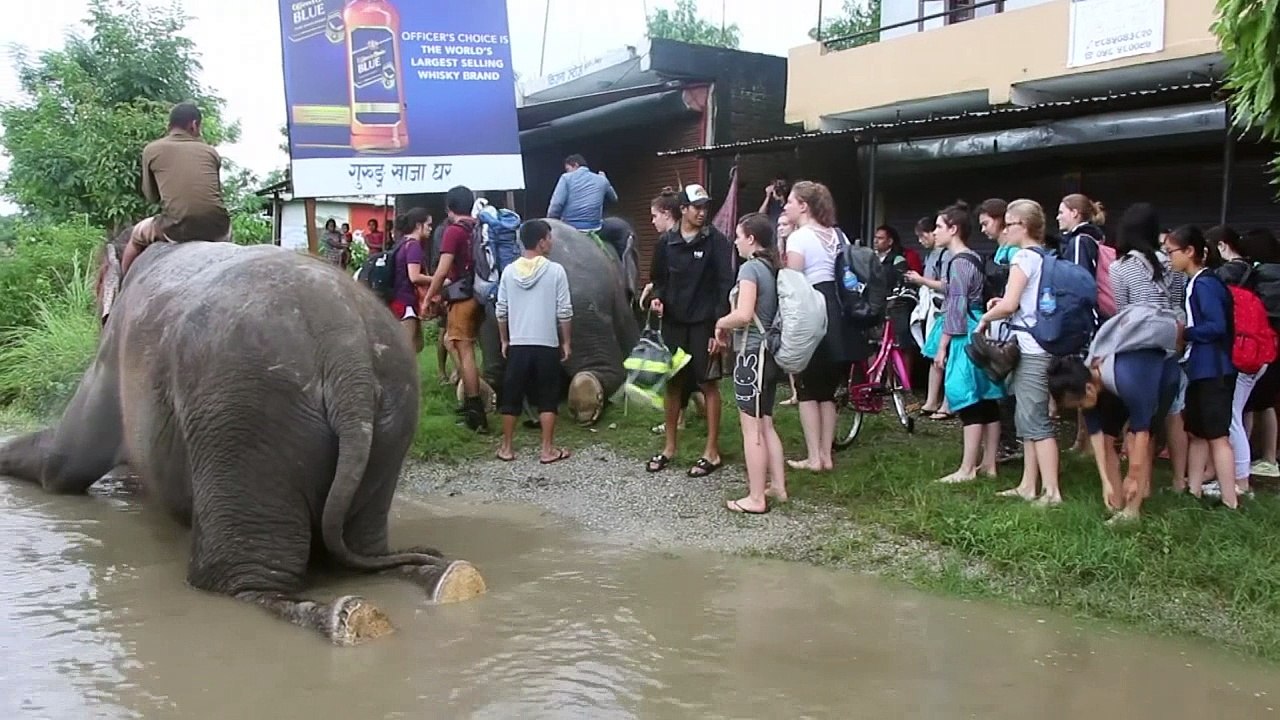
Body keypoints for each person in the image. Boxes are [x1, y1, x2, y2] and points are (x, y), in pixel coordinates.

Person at [1047, 305, 1183, 523]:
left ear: (1089, 389)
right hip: (1116, 384)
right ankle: (1117, 501)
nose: (1080, 409)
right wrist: (1106, 483)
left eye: (1078, 404)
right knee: (1110, 436)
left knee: (1137, 439)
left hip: (1162, 376)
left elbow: (1142, 431)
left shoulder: (1127, 379)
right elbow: (1099, 439)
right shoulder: (1088, 374)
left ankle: (1133, 511)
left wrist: (1134, 474)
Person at [645, 184, 734, 477]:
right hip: (673, 323)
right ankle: (669, 447)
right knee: (673, 385)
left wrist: (718, 328)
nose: (702, 212)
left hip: (703, 324)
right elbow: (657, 277)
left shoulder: (715, 242)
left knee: (708, 384)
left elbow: (724, 285)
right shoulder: (666, 242)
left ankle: (711, 451)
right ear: (682, 209)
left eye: (704, 207)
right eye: (696, 207)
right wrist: (658, 296)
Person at [978, 199, 1061, 504]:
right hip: (1039, 342)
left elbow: (1011, 305)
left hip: (1031, 347)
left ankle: (1051, 491)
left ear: (1023, 226)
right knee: (1028, 419)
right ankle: (1028, 484)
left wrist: (985, 320)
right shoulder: (1043, 256)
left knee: (1036, 421)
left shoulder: (1023, 257)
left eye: (1010, 223)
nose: (1006, 229)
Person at [784, 180, 862, 473]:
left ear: (803, 206)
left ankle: (814, 456)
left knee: (807, 389)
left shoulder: (799, 237)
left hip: (813, 308)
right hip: (840, 313)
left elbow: (793, 279)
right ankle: (827, 455)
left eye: (790, 201)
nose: (787, 206)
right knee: (827, 392)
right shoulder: (838, 235)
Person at [927, 201, 1003, 484]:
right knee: (987, 397)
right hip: (980, 327)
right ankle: (989, 464)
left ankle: (967, 468)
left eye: (938, 227)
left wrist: (943, 346)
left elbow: (956, 305)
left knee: (967, 397)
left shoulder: (958, 262)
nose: (934, 232)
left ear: (953, 229)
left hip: (964, 333)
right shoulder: (974, 257)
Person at [1166, 225, 1240, 509]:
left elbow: (1216, 326)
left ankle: (1230, 500)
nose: (1169, 257)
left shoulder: (1206, 284)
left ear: (1190, 252)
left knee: (1218, 436)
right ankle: (1193, 491)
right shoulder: (1194, 282)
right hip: (1199, 368)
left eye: (1171, 251)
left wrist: (1185, 333)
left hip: (1214, 369)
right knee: (1196, 432)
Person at [716, 213, 785, 514]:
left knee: (751, 429)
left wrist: (720, 322)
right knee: (766, 423)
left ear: (751, 239)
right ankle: (778, 486)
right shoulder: (771, 268)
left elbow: (743, 315)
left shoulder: (750, 269)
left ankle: (756, 498)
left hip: (751, 356)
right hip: (768, 355)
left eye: (738, 235)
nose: (735, 240)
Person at [494, 219, 573, 465]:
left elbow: (501, 311)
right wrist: (566, 342)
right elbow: (565, 311)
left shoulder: (508, 271)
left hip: (518, 343)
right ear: (541, 242)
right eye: (549, 237)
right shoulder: (556, 271)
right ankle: (547, 450)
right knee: (548, 396)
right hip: (546, 344)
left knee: (512, 395)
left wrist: (505, 339)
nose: (552, 241)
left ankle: (506, 447)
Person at [121, 102, 231, 276]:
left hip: (178, 228)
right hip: (218, 227)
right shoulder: (210, 152)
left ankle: (122, 285)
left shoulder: (152, 150)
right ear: (194, 125)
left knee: (136, 237)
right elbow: (213, 195)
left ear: (169, 125)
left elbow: (151, 196)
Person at [425, 185, 488, 433]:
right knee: (455, 344)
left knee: (465, 351)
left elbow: (442, 269)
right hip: (480, 292)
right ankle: (473, 402)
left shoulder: (453, 231)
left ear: (449, 208)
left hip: (463, 297)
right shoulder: (479, 226)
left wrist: (429, 297)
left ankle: (476, 411)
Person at [389, 208, 434, 354]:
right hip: (406, 302)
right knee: (407, 349)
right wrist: (438, 280)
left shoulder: (402, 243)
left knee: (417, 344)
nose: (430, 229)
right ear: (418, 225)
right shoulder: (414, 246)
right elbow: (414, 276)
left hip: (399, 300)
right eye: (428, 225)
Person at [547, 154, 617, 233]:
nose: (567, 172)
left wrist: (550, 222)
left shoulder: (566, 178)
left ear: (576, 165)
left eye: (568, 169)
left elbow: (556, 204)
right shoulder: (602, 180)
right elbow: (614, 199)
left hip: (570, 226)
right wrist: (606, 180)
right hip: (595, 227)